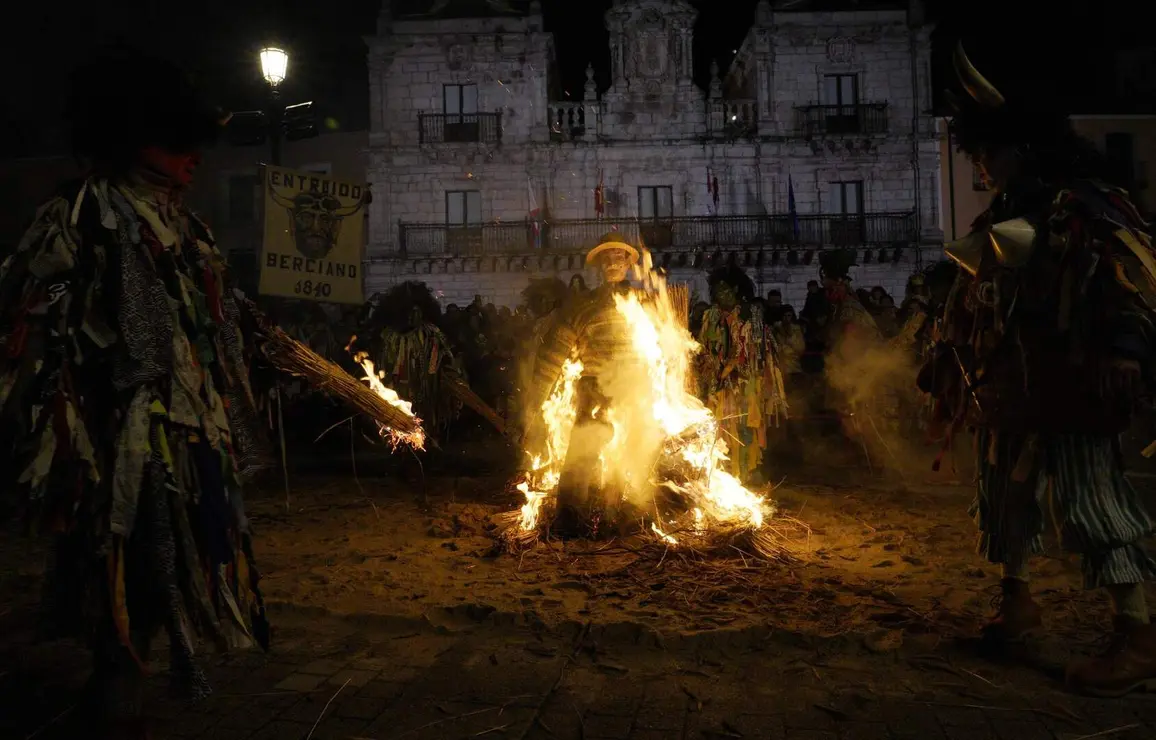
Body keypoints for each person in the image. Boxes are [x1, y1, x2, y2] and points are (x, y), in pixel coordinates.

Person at [0, 46, 268, 737]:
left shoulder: (188, 229)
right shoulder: (78, 220)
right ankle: (116, 674)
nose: (195, 158)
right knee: (122, 546)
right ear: (131, 138)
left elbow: (210, 321)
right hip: (113, 427)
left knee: (174, 552)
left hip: (185, 425)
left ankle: (126, 667)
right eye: (178, 143)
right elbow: (41, 316)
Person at [922, 39, 1156, 696]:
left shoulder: (1081, 206)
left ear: (1021, 148)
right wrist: (948, 357)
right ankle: (1018, 605)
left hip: (1070, 385)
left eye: (986, 153)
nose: (980, 164)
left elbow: (1126, 280)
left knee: (1092, 501)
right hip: (1013, 390)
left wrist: (1125, 350)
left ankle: (1138, 633)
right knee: (1006, 497)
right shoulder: (1006, 214)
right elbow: (976, 299)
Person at [524, 232, 643, 536]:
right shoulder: (581, 306)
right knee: (582, 457)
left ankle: (620, 518)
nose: (613, 263)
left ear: (629, 263)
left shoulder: (649, 305)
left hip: (637, 392)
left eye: (619, 257)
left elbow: (668, 353)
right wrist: (535, 402)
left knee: (633, 457)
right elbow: (552, 356)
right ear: (598, 266)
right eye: (607, 258)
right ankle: (570, 521)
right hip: (594, 392)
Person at [696, 266, 786, 483]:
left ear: (735, 289)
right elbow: (705, 347)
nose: (721, 295)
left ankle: (748, 470)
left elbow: (759, 347)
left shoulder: (751, 312)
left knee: (746, 424)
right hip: (720, 383)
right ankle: (725, 472)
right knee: (722, 425)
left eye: (725, 290)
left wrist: (735, 363)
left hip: (746, 382)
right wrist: (710, 366)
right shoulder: (711, 315)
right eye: (717, 292)